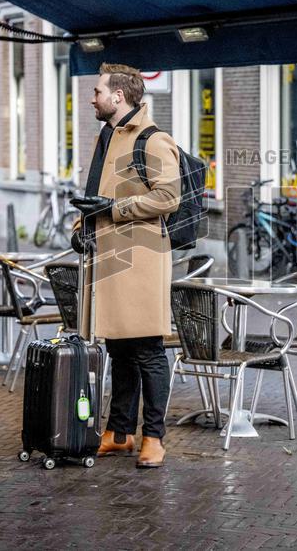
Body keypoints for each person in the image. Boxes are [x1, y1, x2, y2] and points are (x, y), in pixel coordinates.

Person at [71, 63, 181, 469]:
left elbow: (169, 197)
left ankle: (154, 437)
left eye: (97, 91)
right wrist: (79, 227)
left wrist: (116, 209)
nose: (92, 97)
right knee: (119, 349)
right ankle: (120, 434)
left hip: (142, 261)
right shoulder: (107, 136)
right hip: (109, 259)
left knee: (149, 351)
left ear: (118, 96)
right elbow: (93, 193)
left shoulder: (153, 140)